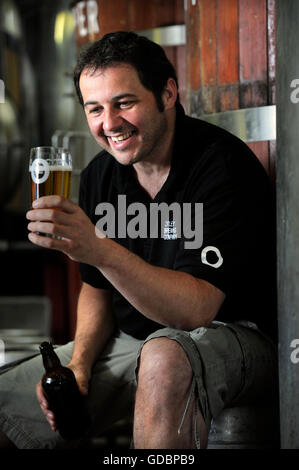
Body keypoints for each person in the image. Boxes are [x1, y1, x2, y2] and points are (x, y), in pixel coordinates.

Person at [0, 31, 278, 449]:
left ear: (167, 94)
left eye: (123, 103)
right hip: (138, 342)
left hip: (234, 336)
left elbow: (198, 309)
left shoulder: (220, 166)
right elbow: (96, 288)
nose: (109, 124)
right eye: (94, 109)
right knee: (8, 400)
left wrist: (97, 248)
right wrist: (79, 364)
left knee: (165, 358)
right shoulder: (100, 175)